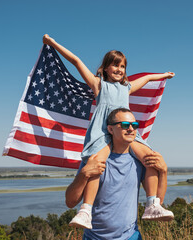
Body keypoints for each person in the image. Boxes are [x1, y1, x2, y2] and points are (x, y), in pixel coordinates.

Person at [43, 35, 174, 229]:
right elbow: (76, 61)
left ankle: (152, 204)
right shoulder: (99, 85)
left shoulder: (127, 89)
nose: (119, 70)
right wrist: (52, 43)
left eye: (122, 67)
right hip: (103, 133)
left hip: (126, 131)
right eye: (115, 65)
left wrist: (163, 75)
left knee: (150, 158)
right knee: (97, 164)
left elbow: (146, 79)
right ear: (105, 68)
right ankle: (86, 211)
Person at [66, 108, 169, 239]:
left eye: (134, 125)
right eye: (125, 125)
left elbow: (158, 202)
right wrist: (83, 174)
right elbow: (70, 202)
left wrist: (164, 171)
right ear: (110, 129)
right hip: (94, 237)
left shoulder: (140, 162)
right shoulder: (95, 161)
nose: (131, 129)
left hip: (130, 236)